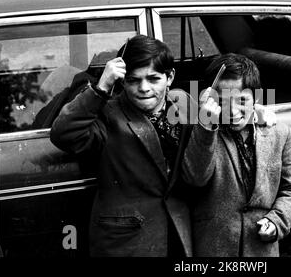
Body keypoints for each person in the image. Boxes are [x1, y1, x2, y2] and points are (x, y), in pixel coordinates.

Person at [50, 35, 193, 257]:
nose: (144, 88)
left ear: (170, 77)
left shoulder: (183, 102)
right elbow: (63, 134)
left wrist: (258, 113)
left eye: (153, 79)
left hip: (179, 234)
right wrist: (101, 87)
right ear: (122, 81)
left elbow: (218, 124)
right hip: (127, 242)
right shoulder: (108, 113)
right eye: (134, 80)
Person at [182, 53, 291, 257]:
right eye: (222, 101)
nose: (232, 109)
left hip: (261, 248)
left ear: (256, 98)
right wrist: (205, 126)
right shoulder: (201, 131)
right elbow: (195, 179)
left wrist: (277, 220)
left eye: (242, 100)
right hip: (215, 248)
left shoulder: (280, 133)